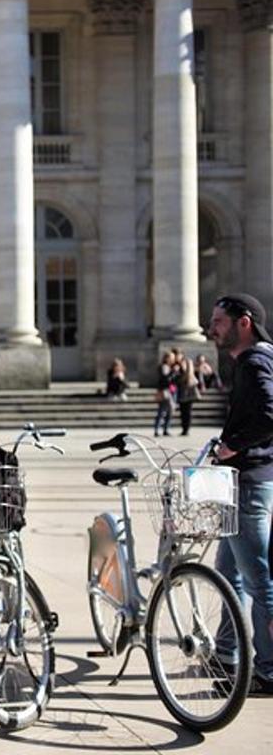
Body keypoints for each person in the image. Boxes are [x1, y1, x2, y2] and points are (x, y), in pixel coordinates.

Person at [207, 293, 273, 696]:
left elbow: (270, 411)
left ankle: (269, 668)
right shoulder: (261, 358)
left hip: (248, 481)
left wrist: (233, 444)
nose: (211, 327)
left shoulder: (253, 361)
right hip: (248, 480)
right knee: (227, 571)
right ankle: (225, 652)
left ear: (243, 322)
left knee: (259, 580)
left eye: (218, 321)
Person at [153, 350, 178, 436]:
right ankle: (157, 429)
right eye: (171, 358)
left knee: (170, 411)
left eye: (173, 358)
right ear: (166, 358)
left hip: (172, 390)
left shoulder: (172, 367)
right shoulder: (164, 367)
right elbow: (165, 379)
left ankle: (165, 429)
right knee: (162, 410)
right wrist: (173, 372)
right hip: (165, 391)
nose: (173, 359)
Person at [176, 352, 199, 436]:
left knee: (187, 411)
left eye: (179, 355)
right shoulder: (177, 365)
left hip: (187, 390)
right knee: (183, 411)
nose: (177, 357)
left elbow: (188, 375)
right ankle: (184, 428)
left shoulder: (186, 363)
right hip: (182, 390)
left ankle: (186, 429)